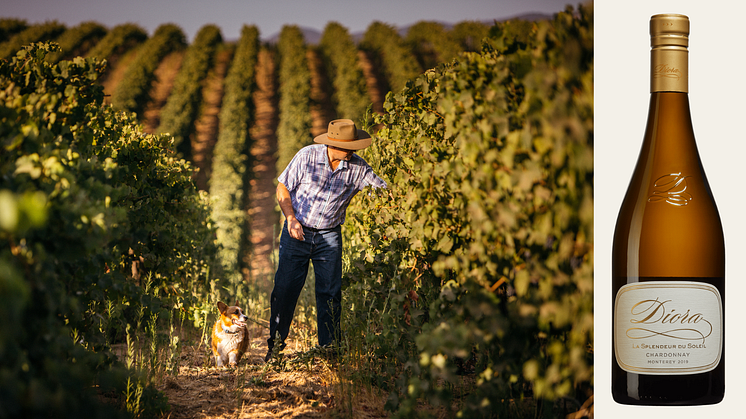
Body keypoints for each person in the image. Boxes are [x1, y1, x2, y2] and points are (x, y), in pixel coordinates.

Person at [266, 119, 386, 361]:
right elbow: (282, 188)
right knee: (285, 289)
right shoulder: (306, 157)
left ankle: (330, 353)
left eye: (354, 147)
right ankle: (275, 350)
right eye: (348, 147)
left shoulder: (358, 168)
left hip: (329, 236)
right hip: (296, 231)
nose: (353, 152)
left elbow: (384, 192)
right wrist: (290, 218)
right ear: (332, 145)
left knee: (330, 294)